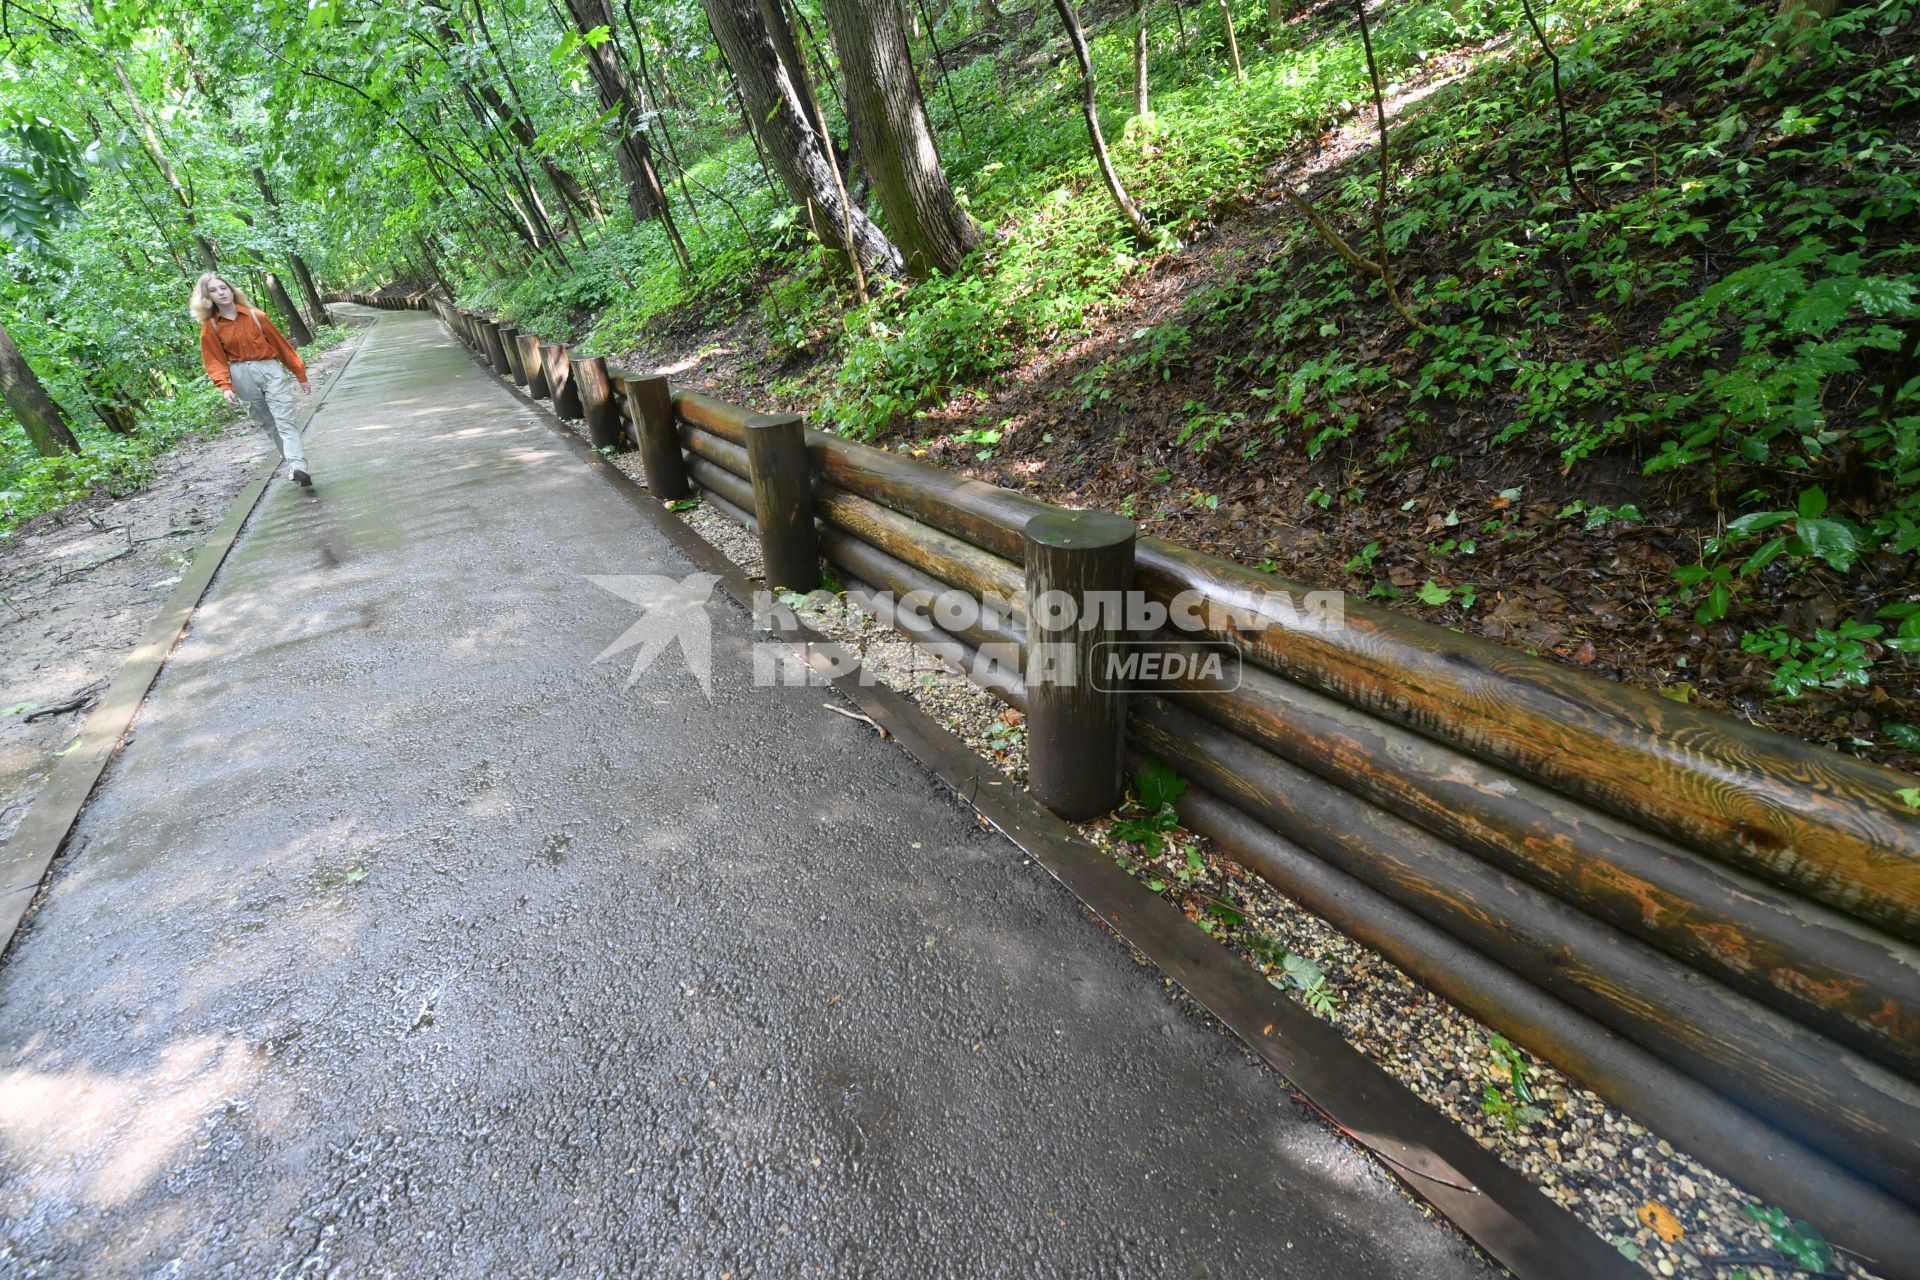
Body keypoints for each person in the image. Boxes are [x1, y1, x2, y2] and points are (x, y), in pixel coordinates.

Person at [191, 273, 315, 487]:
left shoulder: (257, 316)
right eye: (213, 290)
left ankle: (298, 466)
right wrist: (225, 386)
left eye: (223, 288)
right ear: (207, 297)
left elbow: (282, 346)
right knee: (269, 423)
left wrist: (300, 374)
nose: (221, 292)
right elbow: (215, 360)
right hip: (240, 374)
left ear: (231, 290)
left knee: (284, 420)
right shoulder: (210, 328)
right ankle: (293, 465)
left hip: (269, 369)